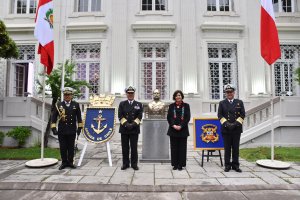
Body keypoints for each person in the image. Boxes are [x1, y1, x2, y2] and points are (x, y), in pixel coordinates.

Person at [51, 87, 83, 170]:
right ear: (63, 96)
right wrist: (54, 128)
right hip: (62, 130)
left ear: (71, 95)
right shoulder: (58, 105)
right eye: (65, 95)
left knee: (71, 147)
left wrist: (79, 128)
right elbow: (53, 118)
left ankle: (70, 162)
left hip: (72, 130)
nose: (67, 96)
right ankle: (64, 162)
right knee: (63, 147)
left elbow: (79, 118)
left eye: (68, 95)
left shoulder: (75, 105)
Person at [218, 84, 245, 173]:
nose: (229, 93)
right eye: (227, 92)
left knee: (236, 148)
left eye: (231, 92)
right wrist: (227, 124)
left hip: (236, 129)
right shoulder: (222, 103)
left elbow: (242, 114)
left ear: (234, 92)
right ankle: (227, 165)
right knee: (227, 148)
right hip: (226, 129)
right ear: (225, 93)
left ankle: (235, 165)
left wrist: (235, 124)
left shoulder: (239, 102)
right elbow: (220, 115)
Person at [118, 86, 143, 170]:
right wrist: (126, 124)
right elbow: (120, 116)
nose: (130, 94)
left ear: (134, 94)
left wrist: (132, 125)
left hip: (134, 129)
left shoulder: (138, 104)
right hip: (124, 129)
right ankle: (125, 164)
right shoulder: (122, 104)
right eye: (129, 93)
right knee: (125, 147)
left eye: (132, 93)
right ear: (126, 94)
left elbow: (140, 116)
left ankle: (134, 164)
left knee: (134, 147)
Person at [167, 90, 191, 171]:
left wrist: (181, 126)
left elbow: (187, 117)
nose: (178, 97)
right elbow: (169, 117)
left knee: (182, 148)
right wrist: (173, 125)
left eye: (180, 95)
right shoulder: (171, 106)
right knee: (174, 148)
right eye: (177, 95)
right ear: (174, 97)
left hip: (183, 130)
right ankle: (175, 164)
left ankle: (181, 164)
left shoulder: (186, 106)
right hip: (173, 130)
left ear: (182, 97)